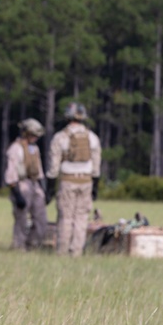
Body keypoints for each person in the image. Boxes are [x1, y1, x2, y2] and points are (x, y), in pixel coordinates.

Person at [46, 102, 101, 257]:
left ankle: (62, 251)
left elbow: (53, 167)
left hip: (67, 181)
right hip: (86, 181)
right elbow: (96, 166)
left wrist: (50, 187)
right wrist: (95, 186)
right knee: (81, 217)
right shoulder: (92, 138)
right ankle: (76, 251)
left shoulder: (60, 137)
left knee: (65, 217)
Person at [4, 118, 48, 250]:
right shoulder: (15, 148)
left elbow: (39, 170)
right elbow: (11, 172)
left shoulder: (34, 149)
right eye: (32, 135)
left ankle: (34, 244)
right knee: (21, 219)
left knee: (41, 219)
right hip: (21, 184)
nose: (35, 138)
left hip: (35, 184)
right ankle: (19, 246)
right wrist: (16, 193)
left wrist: (43, 188)